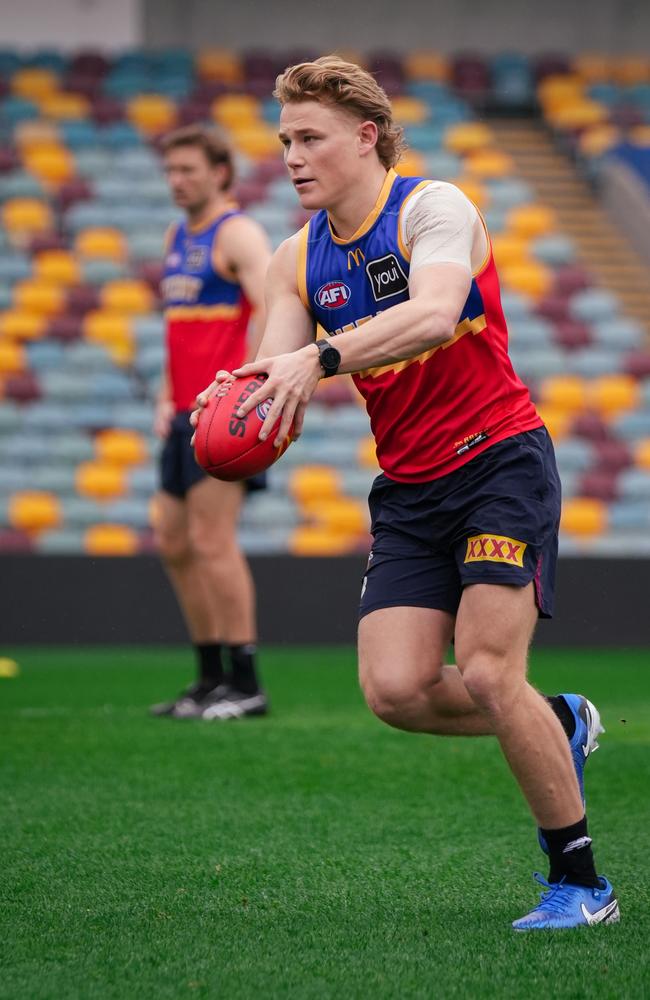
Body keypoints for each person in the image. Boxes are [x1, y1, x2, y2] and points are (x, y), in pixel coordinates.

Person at [191, 58, 618, 929]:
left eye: (310, 138)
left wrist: (321, 357)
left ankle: (582, 885)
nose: (293, 157)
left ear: (367, 136)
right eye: (284, 141)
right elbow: (280, 370)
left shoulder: (434, 208)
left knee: (494, 671)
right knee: (395, 691)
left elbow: (434, 310)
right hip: (411, 486)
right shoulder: (294, 258)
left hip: (499, 460)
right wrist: (242, 396)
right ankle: (561, 721)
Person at [150, 123, 272, 721]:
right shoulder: (178, 235)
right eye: (171, 171)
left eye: (189, 170)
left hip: (221, 415)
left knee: (211, 540)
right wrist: (166, 395)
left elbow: (275, 305)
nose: (177, 181)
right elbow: (180, 328)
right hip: (181, 412)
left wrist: (249, 389)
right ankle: (208, 678)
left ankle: (246, 683)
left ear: (220, 173)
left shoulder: (239, 231)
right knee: (173, 540)